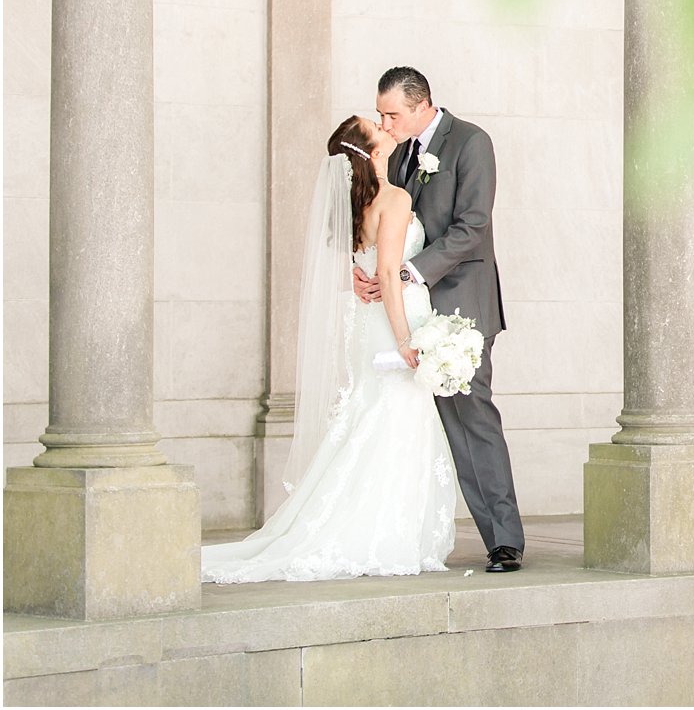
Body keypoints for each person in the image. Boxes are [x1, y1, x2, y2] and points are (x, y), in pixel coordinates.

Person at [202, 116, 456, 583]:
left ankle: (368, 524)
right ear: (371, 149)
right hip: (391, 322)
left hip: (365, 325)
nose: (383, 125)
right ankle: (382, 534)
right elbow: (384, 274)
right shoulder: (394, 199)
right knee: (395, 417)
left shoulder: (358, 205)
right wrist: (404, 339)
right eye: (374, 125)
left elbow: (353, 264)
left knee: (372, 411)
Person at [355, 66, 525, 573]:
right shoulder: (399, 152)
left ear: (423, 105)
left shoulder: (471, 142)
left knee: (471, 417)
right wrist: (369, 273)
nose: (384, 123)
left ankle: (504, 539)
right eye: (381, 113)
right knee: (420, 422)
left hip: (462, 305)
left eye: (393, 114)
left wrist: (408, 272)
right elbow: (383, 224)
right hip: (410, 307)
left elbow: (473, 226)